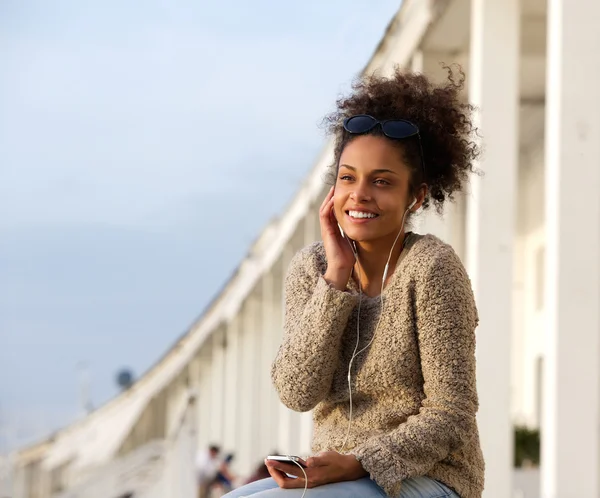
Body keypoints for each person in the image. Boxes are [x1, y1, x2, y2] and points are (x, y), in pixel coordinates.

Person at [224, 66, 485, 498]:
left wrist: (360, 462)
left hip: (428, 477)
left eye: (381, 182)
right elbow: (296, 391)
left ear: (415, 197)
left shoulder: (431, 267)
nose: (359, 194)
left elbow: (451, 412)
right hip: (334, 475)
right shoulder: (313, 268)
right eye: (348, 178)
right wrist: (335, 281)